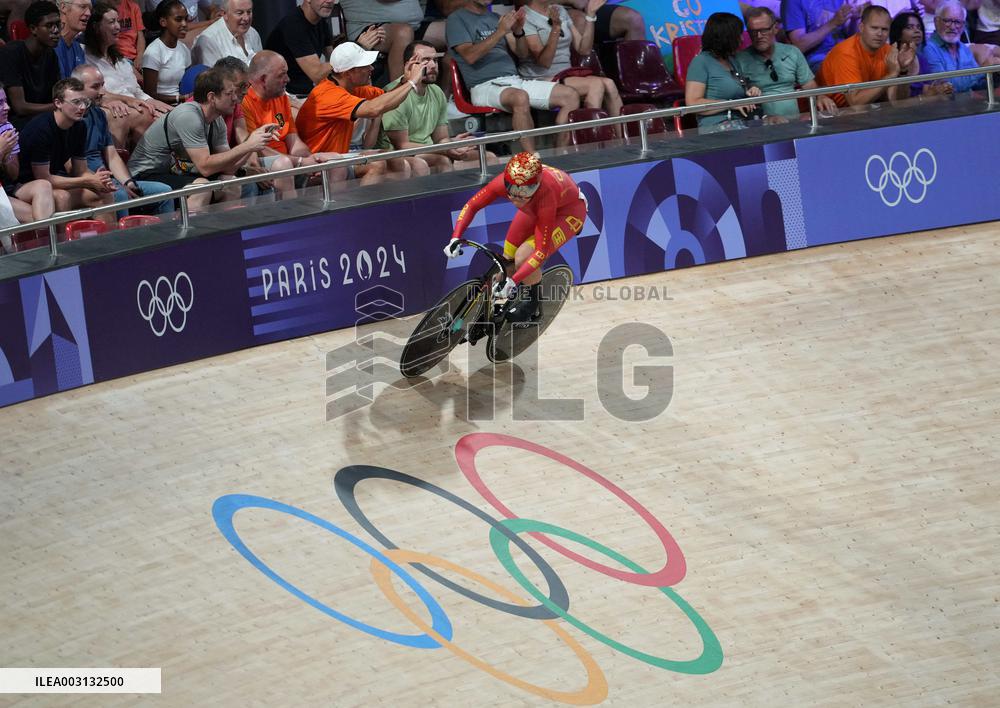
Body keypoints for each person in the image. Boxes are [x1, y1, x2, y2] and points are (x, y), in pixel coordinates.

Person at [444, 152, 587, 324]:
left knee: (523, 257)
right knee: (507, 260)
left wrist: (514, 281)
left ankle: (532, 303)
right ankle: (491, 306)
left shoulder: (544, 193)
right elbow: (472, 205)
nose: (518, 195)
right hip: (533, 208)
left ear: (536, 184)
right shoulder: (506, 183)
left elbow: (541, 251)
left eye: (526, 190)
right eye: (513, 189)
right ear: (506, 180)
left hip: (568, 213)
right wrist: (455, 237)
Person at [127, 67, 276, 208]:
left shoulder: (217, 121)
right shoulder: (188, 115)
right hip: (145, 174)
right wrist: (248, 145)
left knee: (231, 184)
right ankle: (193, 234)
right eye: (229, 94)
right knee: (202, 187)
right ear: (211, 97)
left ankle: (225, 233)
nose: (236, 99)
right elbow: (205, 167)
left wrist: (254, 143)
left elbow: (228, 168)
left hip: (171, 173)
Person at [447, 0, 581, 151]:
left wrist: (518, 32)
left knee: (570, 95)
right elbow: (470, 56)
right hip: (484, 85)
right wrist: (500, 32)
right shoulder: (456, 20)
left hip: (514, 81)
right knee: (520, 97)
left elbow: (522, 53)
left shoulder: (495, 17)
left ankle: (561, 154)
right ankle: (531, 162)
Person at [295, 42, 430, 184]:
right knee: (376, 164)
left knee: (394, 159)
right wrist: (412, 83)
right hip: (316, 164)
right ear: (347, 73)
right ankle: (365, 207)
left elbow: (388, 99)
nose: (371, 68)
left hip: (340, 157)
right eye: (364, 66)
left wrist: (405, 80)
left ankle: (393, 205)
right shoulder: (327, 94)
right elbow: (374, 109)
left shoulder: (355, 87)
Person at [377, 40, 496, 172]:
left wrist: (454, 145)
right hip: (402, 155)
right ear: (409, 65)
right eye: (426, 60)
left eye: (435, 60)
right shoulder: (395, 94)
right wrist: (445, 150)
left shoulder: (436, 92)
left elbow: (441, 138)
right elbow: (402, 145)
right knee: (442, 161)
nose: (433, 65)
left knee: (489, 158)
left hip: (432, 149)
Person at [71, 63, 172, 213]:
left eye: (103, 86)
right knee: (120, 195)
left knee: (164, 191)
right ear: (77, 89)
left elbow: (111, 156)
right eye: (95, 87)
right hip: (86, 182)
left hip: (109, 181)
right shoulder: (70, 121)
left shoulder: (98, 114)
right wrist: (114, 185)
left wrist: (128, 182)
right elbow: (72, 168)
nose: (102, 92)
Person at [243, 50, 348, 192]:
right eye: (281, 75)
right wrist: (300, 162)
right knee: (284, 165)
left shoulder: (281, 97)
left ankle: (336, 212)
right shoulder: (245, 102)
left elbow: (293, 140)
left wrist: (310, 161)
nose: (288, 79)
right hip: (268, 162)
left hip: (290, 160)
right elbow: (256, 148)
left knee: (336, 162)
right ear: (263, 79)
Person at [17, 77, 117, 220]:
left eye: (85, 102)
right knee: (62, 197)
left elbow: (80, 170)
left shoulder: (79, 126)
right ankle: (64, 243)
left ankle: (108, 240)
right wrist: (88, 181)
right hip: (26, 185)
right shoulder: (41, 129)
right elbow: (44, 178)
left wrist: (99, 179)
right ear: (58, 103)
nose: (82, 107)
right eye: (76, 102)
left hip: (50, 181)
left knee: (104, 193)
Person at [519, 0, 622, 131]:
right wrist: (556, 28)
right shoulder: (525, 17)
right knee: (595, 85)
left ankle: (623, 141)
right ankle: (592, 138)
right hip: (540, 77)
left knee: (610, 84)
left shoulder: (559, 10)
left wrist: (590, 16)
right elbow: (544, 62)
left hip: (566, 74)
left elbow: (583, 49)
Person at [733, 7, 838, 120]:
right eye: (753, 32)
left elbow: (810, 87)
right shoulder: (740, 59)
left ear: (775, 28)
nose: (758, 36)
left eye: (764, 30)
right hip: (761, 123)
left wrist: (821, 97)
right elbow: (736, 95)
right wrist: (748, 91)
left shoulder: (792, 52)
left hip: (793, 122)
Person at [265, 0, 381, 99]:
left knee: (366, 91)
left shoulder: (320, 21)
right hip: (288, 97)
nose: (330, 1)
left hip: (310, 91)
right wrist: (357, 47)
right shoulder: (293, 25)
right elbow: (317, 73)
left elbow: (334, 60)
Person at [83, 2, 173, 119]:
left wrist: (157, 104)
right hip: (119, 113)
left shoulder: (121, 60)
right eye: (111, 22)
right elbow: (99, 95)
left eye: (117, 21)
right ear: (96, 27)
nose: (118, 27)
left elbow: (138, 92)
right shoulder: (86, 59)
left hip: (138, 107)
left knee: (175, 116)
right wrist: (135, 102)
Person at [817, 5, 917, 107]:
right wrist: (891, 75)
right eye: (874, 28)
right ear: (861, 28)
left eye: (884, 29)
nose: (879, 33)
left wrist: (902, 71)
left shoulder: (888, 51)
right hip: (828, 114)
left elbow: (896, 102)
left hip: (864, 112)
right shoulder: (846, 53)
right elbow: (855, 103)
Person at [684, 12, 761, 130]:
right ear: (726, 37)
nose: (741, 39)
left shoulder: (732, 61)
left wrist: (751, 90)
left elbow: (738, 90)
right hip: (717, 128)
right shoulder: (700, 62)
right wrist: (730, 104)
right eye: (738, 35)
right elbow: (692, 103)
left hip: (742, 123)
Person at [0, 81, 56, 225]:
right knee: (35, 217)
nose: (7, 107)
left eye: (6, 101)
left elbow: (13, 175)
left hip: (7, 188)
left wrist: (6, 157)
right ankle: (48, 243)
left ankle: (48, 242)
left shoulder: (6, 129)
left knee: (43, 185)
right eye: (0, 103)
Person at [0, 1, 62, 128]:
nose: (56, 30)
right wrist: (61, 106)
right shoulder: (11, 53)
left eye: (58, 24)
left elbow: (56, 95)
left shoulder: (51, 55)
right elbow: (20, 107)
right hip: (16, 122)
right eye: (49, 25)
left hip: (44, 116)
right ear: (33, 29)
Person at [920, 1, 988, 92]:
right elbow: (949, 87)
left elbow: (976, 84)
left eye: (957, 22)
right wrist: (983, 70)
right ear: (936, 21)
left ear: (963, 25)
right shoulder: (928, 49)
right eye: (947, 21)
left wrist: (992, 73)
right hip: (943, 105)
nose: (952, 27)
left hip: (968, 103)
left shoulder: (964, 49)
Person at [889, 10, 954, 96]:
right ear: (898, 33)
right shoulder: (891, 59)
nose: (917, 31)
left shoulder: (921, 60)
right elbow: (896, 102)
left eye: (919, 27)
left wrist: (940, 88)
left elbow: (926, 90)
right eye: (909, 27)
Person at [782, 0, 859, 72]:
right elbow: (799, 45)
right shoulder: (792, 2)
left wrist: (854, 20)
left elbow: (849, 35)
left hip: (845, 54)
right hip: (816, 60)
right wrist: (832, 23)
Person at [141, 0, 192, 106]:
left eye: (186, 19)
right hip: (160, 106)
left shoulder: (184, 49)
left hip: (182, 104)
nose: (184, 24)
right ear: (163, 22)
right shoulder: (153, 52)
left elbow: (187, 82)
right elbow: (150, 94)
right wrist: (181, 98)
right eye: (178, 19)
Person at [191, 0, 260, 67]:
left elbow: (261, 66)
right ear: (224, 14)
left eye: (249, 12)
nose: (246, 18)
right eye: (240, 13)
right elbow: (213, 77)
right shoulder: (209, 40)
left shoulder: (253, 32)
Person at [55, 0, 90, 77]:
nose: (88, 13)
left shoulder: (78, 48)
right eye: (82, 7)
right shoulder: (51, 46)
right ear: (63, 7)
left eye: (90, 8)